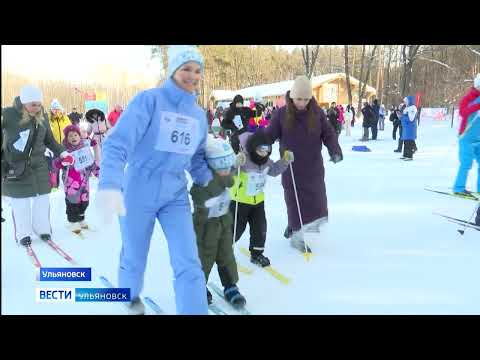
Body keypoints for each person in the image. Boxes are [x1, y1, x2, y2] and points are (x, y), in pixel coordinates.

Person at [97, 45, 212, 315]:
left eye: (197, 71)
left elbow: (196, 157)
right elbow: (117, 144)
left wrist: (212, 178)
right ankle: (129, 293)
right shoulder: (149, 101)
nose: (192, 76)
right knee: (134, 254)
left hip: (175, 194)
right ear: (173, 70)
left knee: (188, 260)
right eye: (186, 69)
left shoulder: (198, 115)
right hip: (138, 188)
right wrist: (110, 186)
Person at [256, 76, 343, 252]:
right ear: (292, 96)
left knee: (317, 200)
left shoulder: (317, 113)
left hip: (313, 167)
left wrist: (335, 151)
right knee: (294, 201)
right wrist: (258, 148)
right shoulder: (281, 114)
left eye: (305, 99)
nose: (302, 103)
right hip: (291, 168)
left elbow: (329, 134)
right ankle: (296, 233)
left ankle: (309, 226)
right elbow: (269, 135)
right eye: (298, 99)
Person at [1, 85, 71, 246]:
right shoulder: (9, 114)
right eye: (33, 104)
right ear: (24, 102)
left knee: (43, 200)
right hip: (17, 166)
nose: (37, 107)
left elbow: (50, 140)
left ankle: (42, 228)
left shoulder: (43, 116)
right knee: (21, 202)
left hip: (39, 166)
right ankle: (23, 233)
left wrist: (63, 153)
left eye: (39, 104)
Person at [190, 135, 247, 309]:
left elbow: (229, 180)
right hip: (206, 229)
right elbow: (197, 195)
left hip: (224, 225)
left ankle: (230, 285)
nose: (225, 170)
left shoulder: (224, 174)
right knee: (204, 259)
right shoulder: (202, 181)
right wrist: (207, 205)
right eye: (221, 167)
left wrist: (236, 164)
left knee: (227, 257)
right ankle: (198, 286)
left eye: (227, 166)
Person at [231, 122, 293, 265]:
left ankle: (257, 253)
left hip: (258, 201)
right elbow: (229, 172)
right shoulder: (244, 159)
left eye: (267, 149)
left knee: (260, 227)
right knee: (236, 229)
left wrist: (285, 160)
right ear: (254, 147)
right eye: (261, 149)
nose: (264, 152)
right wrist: (236, 163)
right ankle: (224, 249)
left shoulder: (266, 161)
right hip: (240, 201)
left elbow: (274, 171)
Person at [53, 125, 99, 234]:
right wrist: (63, 162)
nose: (73, 137)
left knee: (84, 201)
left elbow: (91, 163)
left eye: (75, 135)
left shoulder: (84, 148)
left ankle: (81, 219)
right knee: (73, 201)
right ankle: (73, 221)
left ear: (80, 136)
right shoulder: (64, 150)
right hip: (71, 182)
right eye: (70, 136)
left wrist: (98, 173)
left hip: (84, 181)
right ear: (66, 138)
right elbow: (55, 163)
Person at [452, 74, 480, 197]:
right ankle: (458, 188)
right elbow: (464, 112)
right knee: (466, 164)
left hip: (478, 138)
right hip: (466, 137)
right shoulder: (468, 98)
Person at [48, 99, 71, 189]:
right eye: (54, 109)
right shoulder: (49, 119)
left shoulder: (65, 118)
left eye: (57, 109)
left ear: (60, 109)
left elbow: (70, 129)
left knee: (66, 165)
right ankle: (54, 184)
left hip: (65, 146)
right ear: (51, 110)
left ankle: (67, 182)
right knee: (54, 166)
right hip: (53, 147)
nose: (56, 111)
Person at [399, 96, 418, 161]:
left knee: (409, 142)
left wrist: (403, 116)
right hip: (406, 128)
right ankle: (405, 155)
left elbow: (411, 119)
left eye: (406, 101)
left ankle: (409, 156)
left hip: (410, 129)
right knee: (406, 142)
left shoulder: (412, 108)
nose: (405, 103)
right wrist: (401, 116)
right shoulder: (407, 108)